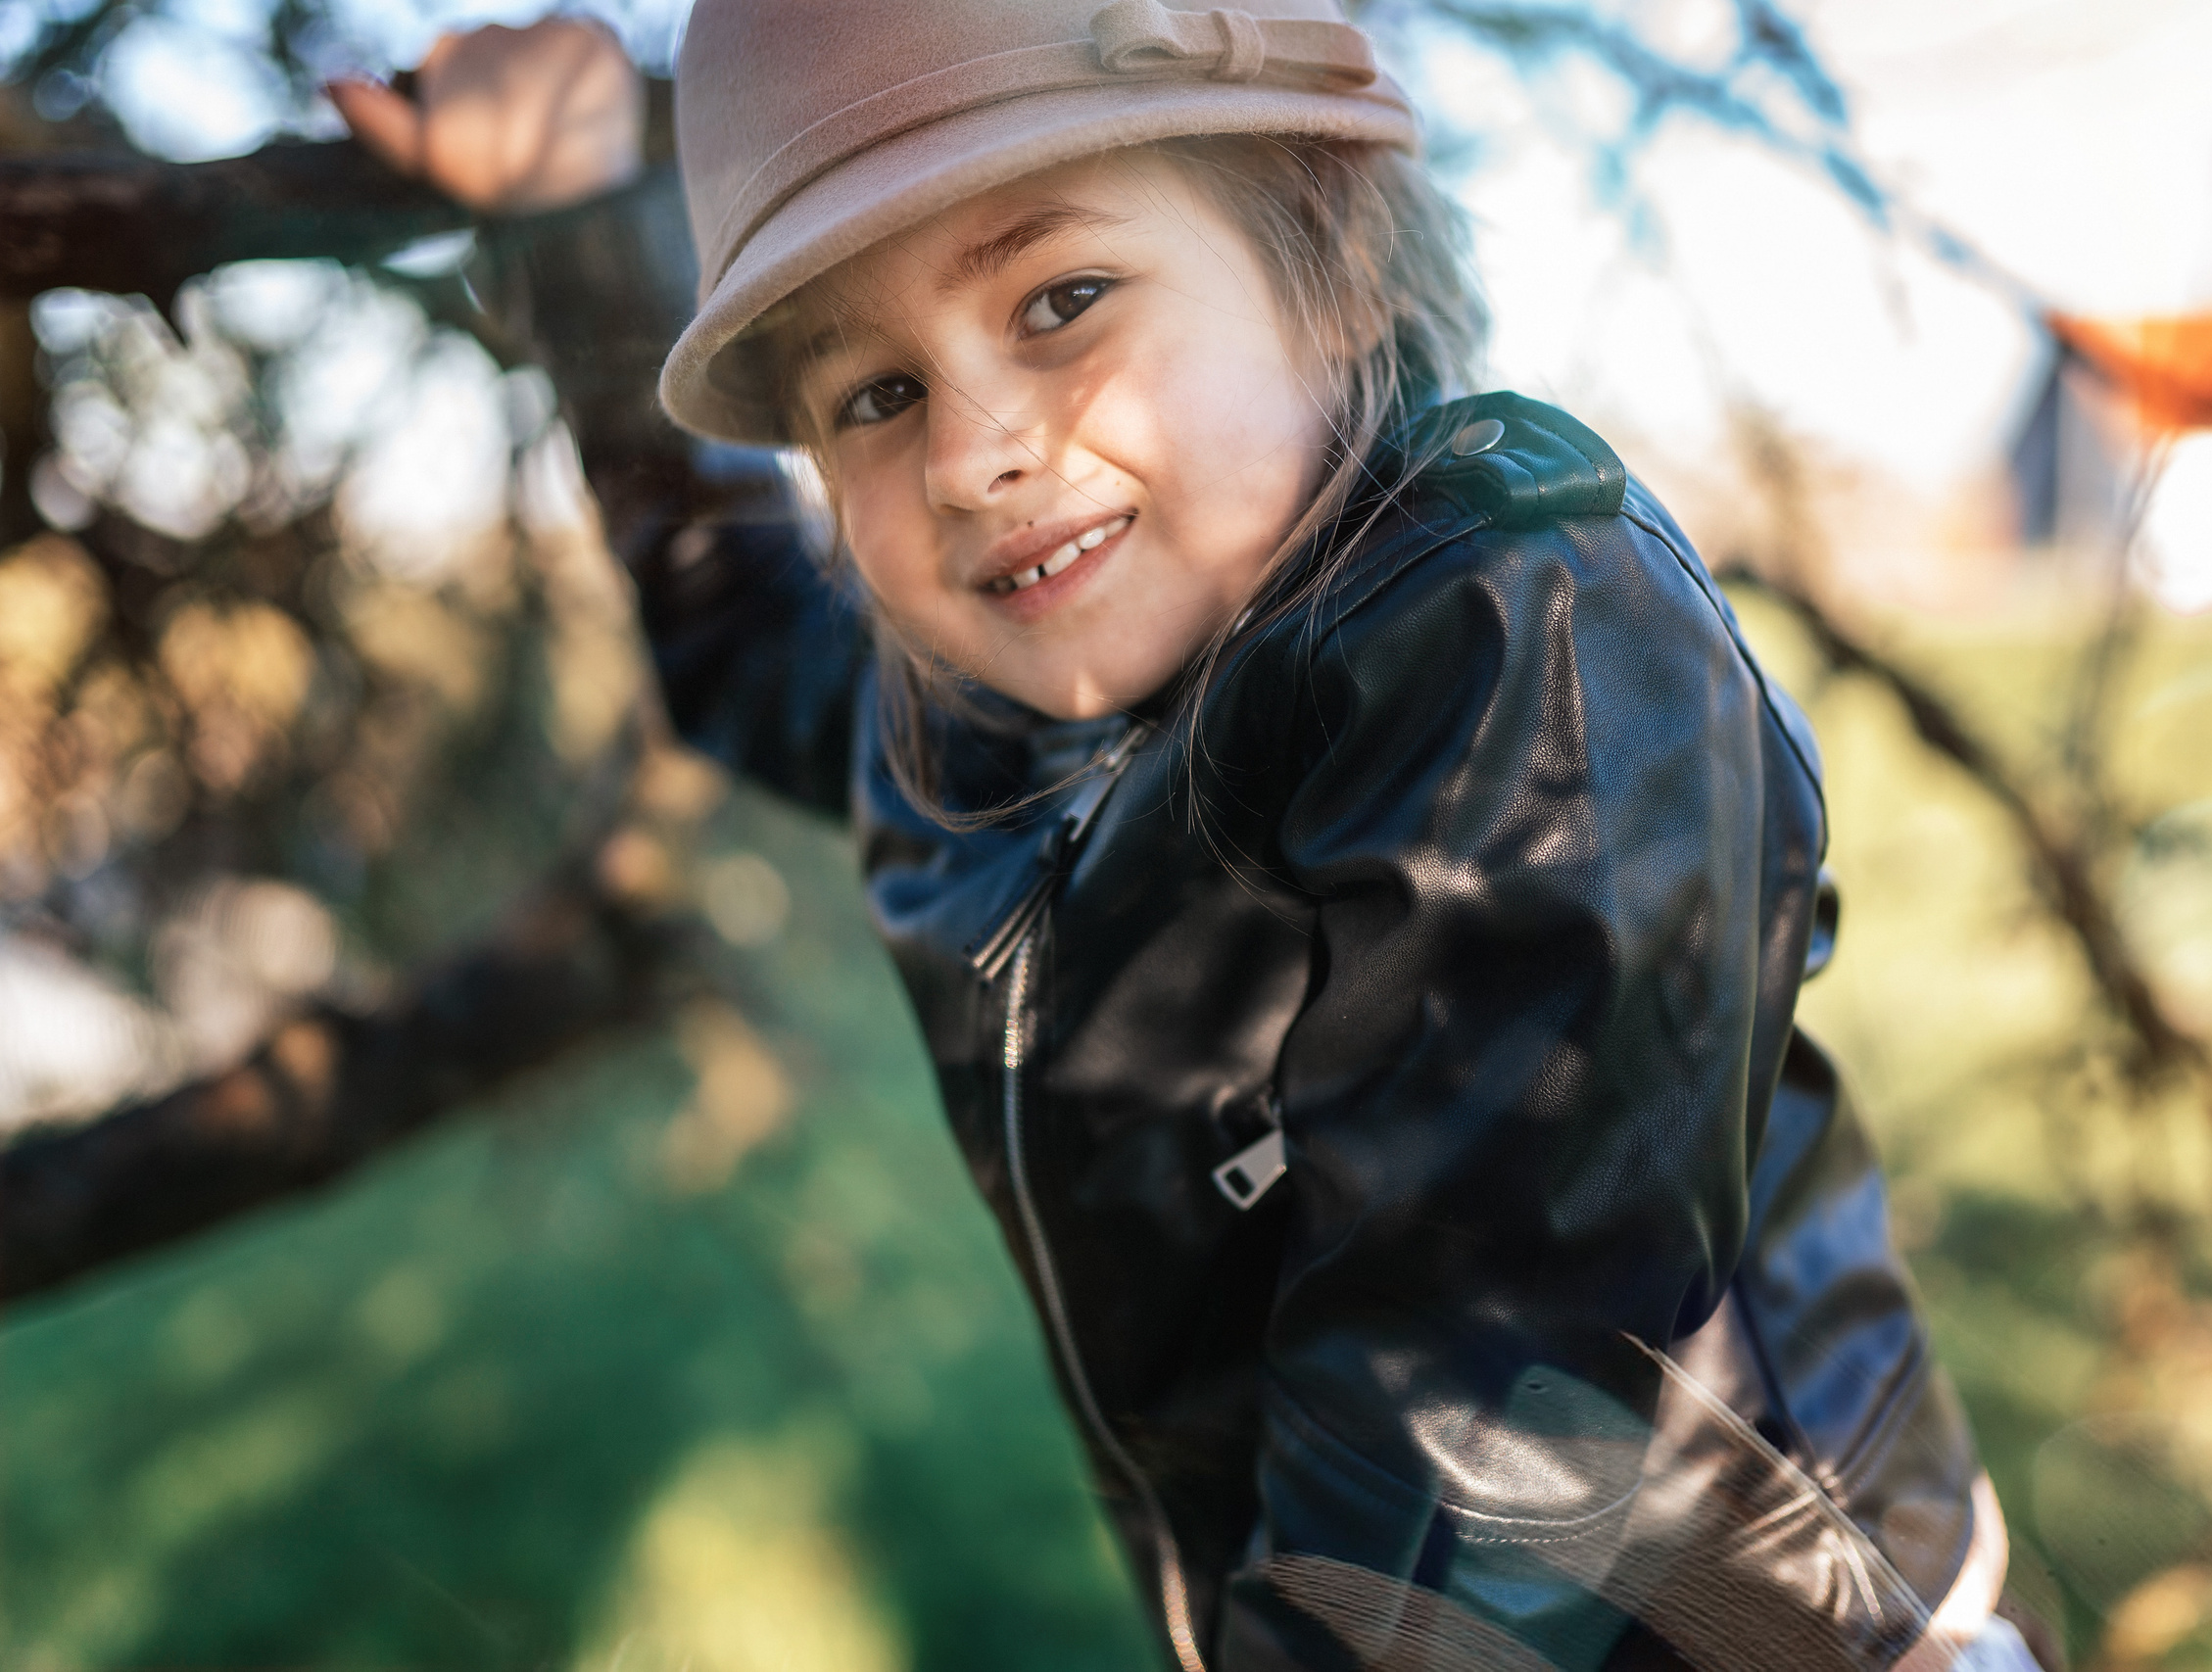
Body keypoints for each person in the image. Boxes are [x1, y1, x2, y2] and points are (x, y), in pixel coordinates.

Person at [337, 6, 2054, 1668]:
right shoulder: (969, 738)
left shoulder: (1506, 622)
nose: (975, 456)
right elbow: (733, 639)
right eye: (870, 397)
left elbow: (1464, 1433)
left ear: (1333, 259)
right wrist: (571, 228)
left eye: (1062, 299)